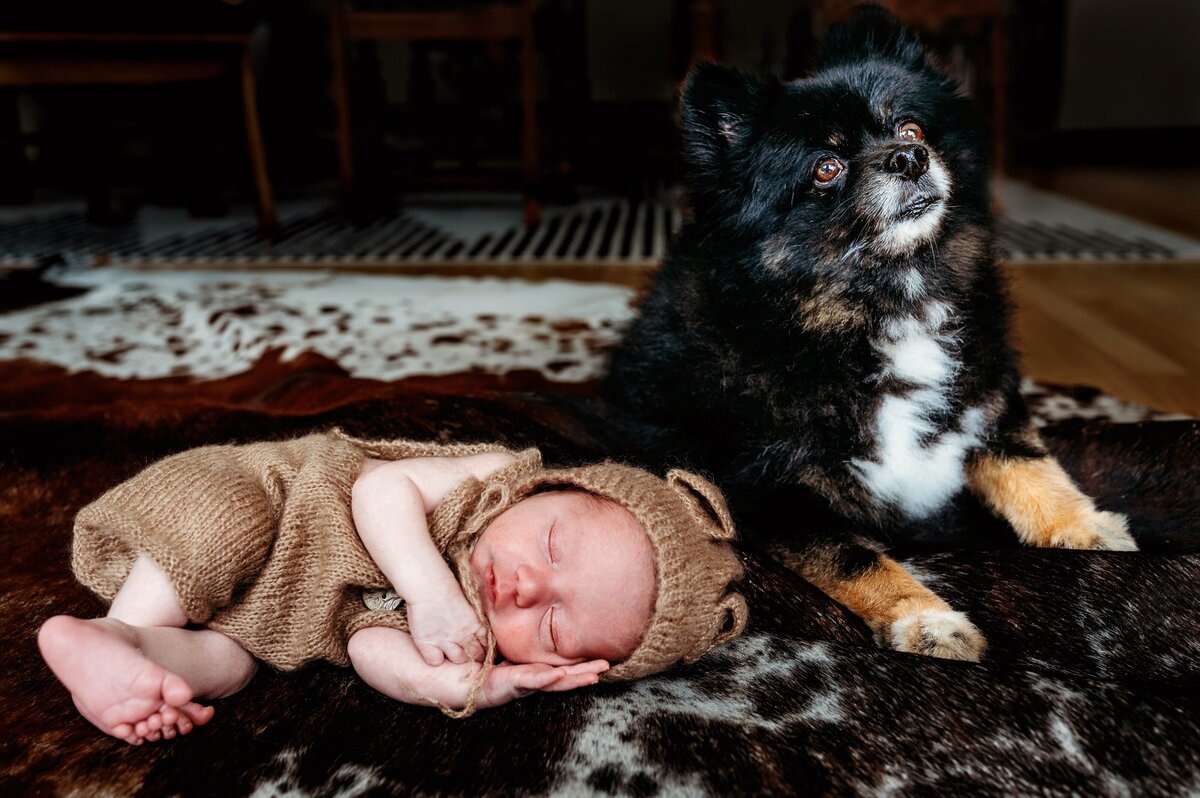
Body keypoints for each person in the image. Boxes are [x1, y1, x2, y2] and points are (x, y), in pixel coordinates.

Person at [38, 429, 748, 745]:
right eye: (552, 543)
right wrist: (431, 593)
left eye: (555, 628)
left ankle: (135, 661)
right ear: (554, 486)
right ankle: (113, 628)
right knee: (221, 526)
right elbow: (380, 491)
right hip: (265, 497)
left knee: (232, 665)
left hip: (265, 610)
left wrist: (466, 686)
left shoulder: (470, 632)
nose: (528, 587)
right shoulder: (494, 479)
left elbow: (371, 650)